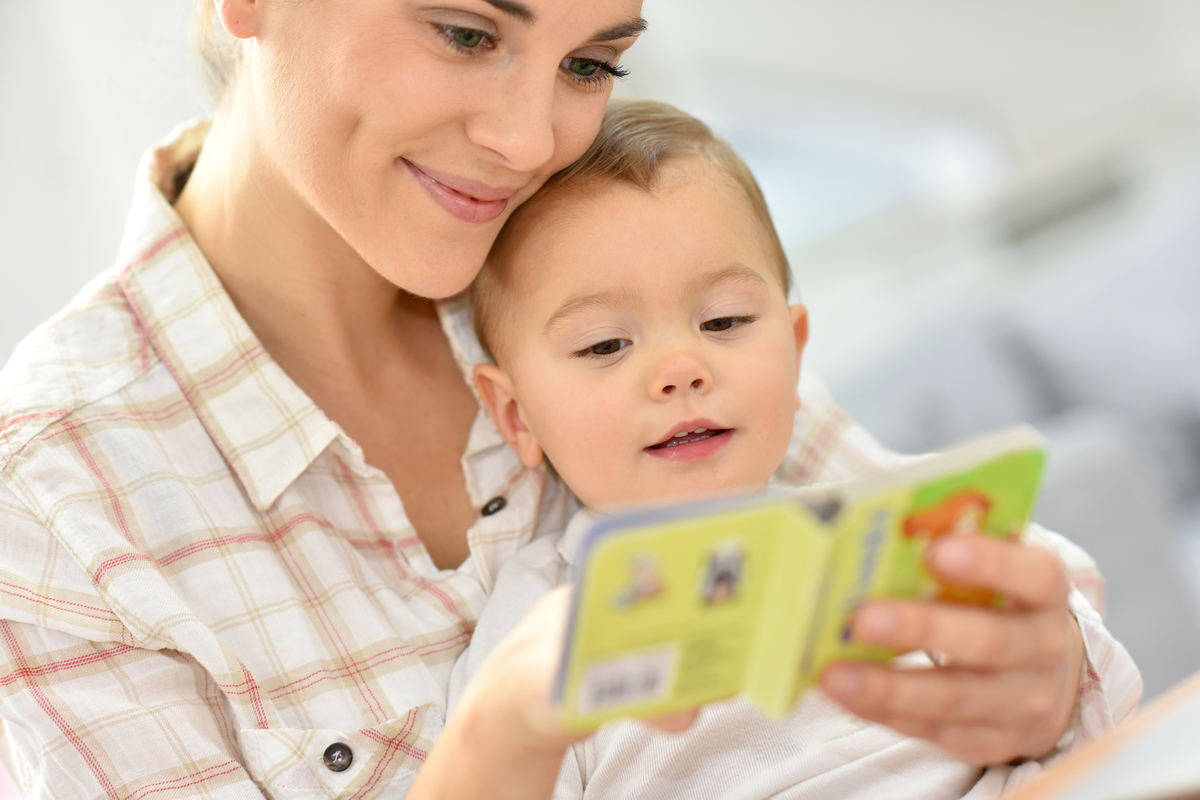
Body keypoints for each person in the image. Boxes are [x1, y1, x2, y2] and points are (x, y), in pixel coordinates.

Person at [0, 2, 1138, 799]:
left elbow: (966, 588)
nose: (526, 138)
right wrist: (505, 727)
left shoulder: (597, 267)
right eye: (465, 32)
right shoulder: (54, 502)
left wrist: (1042, 679)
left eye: (591, 62)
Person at [453, 99, 1141, 797]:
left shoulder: (869, 532)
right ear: (517, 416)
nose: (681, 369)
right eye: (605, 344)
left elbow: (1072, 689)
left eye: (724, 320)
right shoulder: (539, 620)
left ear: (795, 346)